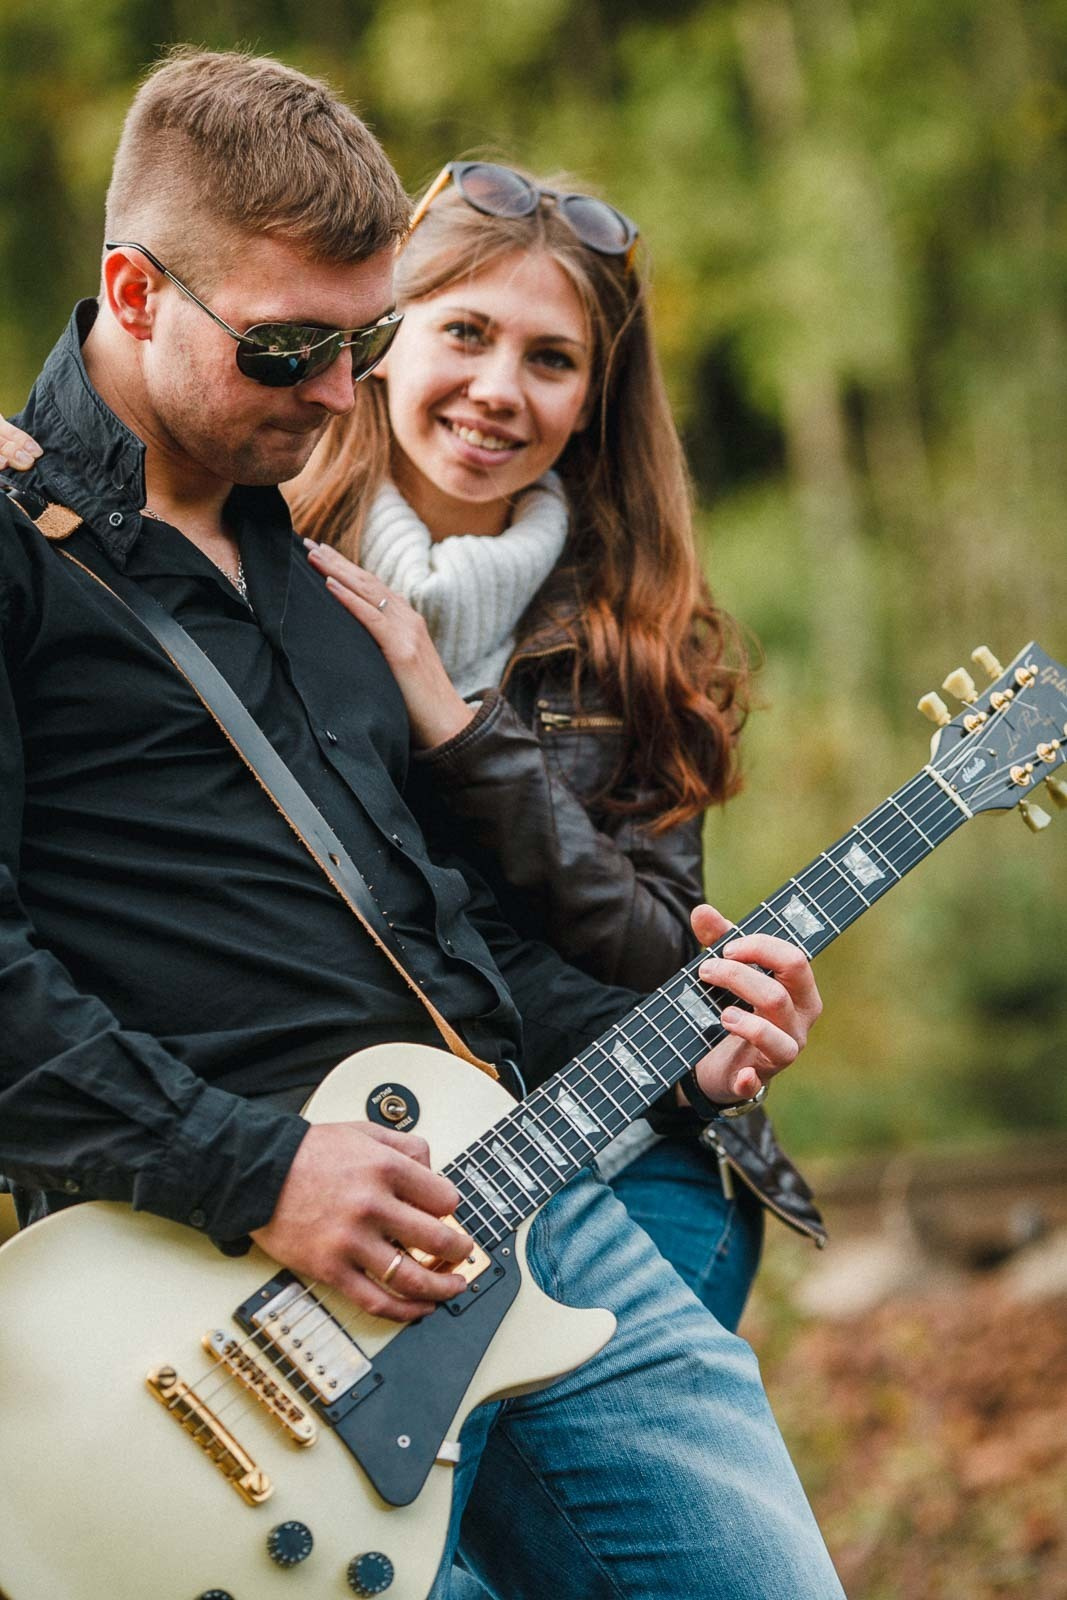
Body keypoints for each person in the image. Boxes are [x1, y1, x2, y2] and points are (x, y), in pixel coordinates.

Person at [0, 47, 844, 1599]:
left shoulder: (321, 581)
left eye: (361, 339)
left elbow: (432, 940)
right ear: (130, 290)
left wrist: (680, 1038)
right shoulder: (17, 554)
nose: (339, 396)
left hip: (527, 1203)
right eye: (286, 349)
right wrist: (250, 1168)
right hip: (217, 1293)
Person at [284, 159, 825, 1330]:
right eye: (464, 332)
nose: (496, 390)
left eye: (549, 359)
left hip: (632, 1148)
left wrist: (459, 728)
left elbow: (653, 957)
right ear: (380, 339)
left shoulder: (636, 634)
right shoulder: (258, 565)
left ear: (590, 398)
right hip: (384, 1156)